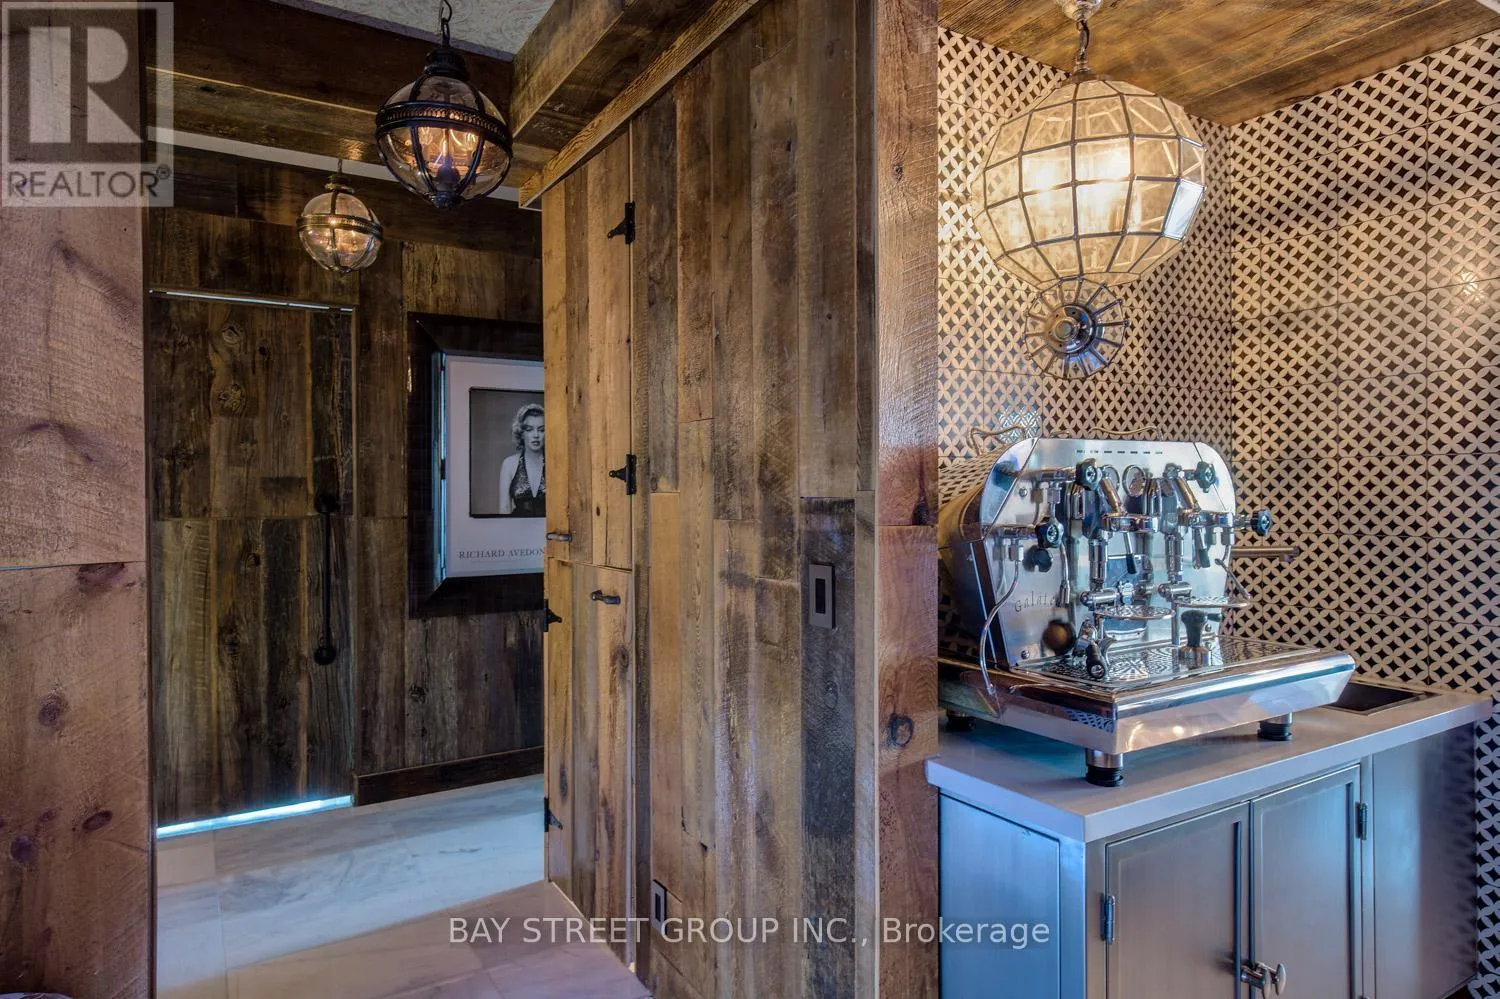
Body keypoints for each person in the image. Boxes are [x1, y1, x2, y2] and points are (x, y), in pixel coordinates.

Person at [498, 402, 545, 516]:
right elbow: (504, 509)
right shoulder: (509, 464)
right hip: (516, 526)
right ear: (521, 433)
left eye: (541, 430)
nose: (536, 435)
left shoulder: (557, 465)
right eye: (529, 429)